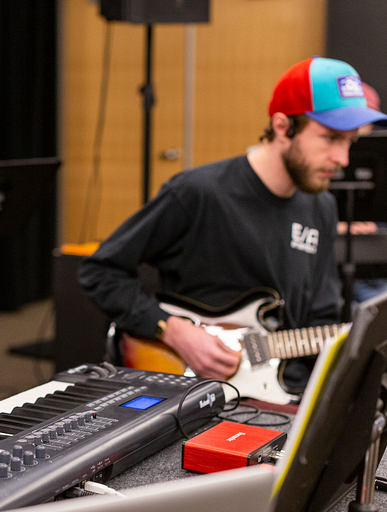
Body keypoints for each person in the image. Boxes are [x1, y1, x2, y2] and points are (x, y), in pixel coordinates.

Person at [78, 57, 387, 390]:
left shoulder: (322, 206)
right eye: (330, 138)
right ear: (283, 127)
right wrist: (172, 329)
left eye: (350, 142)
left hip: (284, 392)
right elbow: (100, 271)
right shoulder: (198, 192)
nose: (343, 160)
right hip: (197, 391)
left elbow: (322, 319)